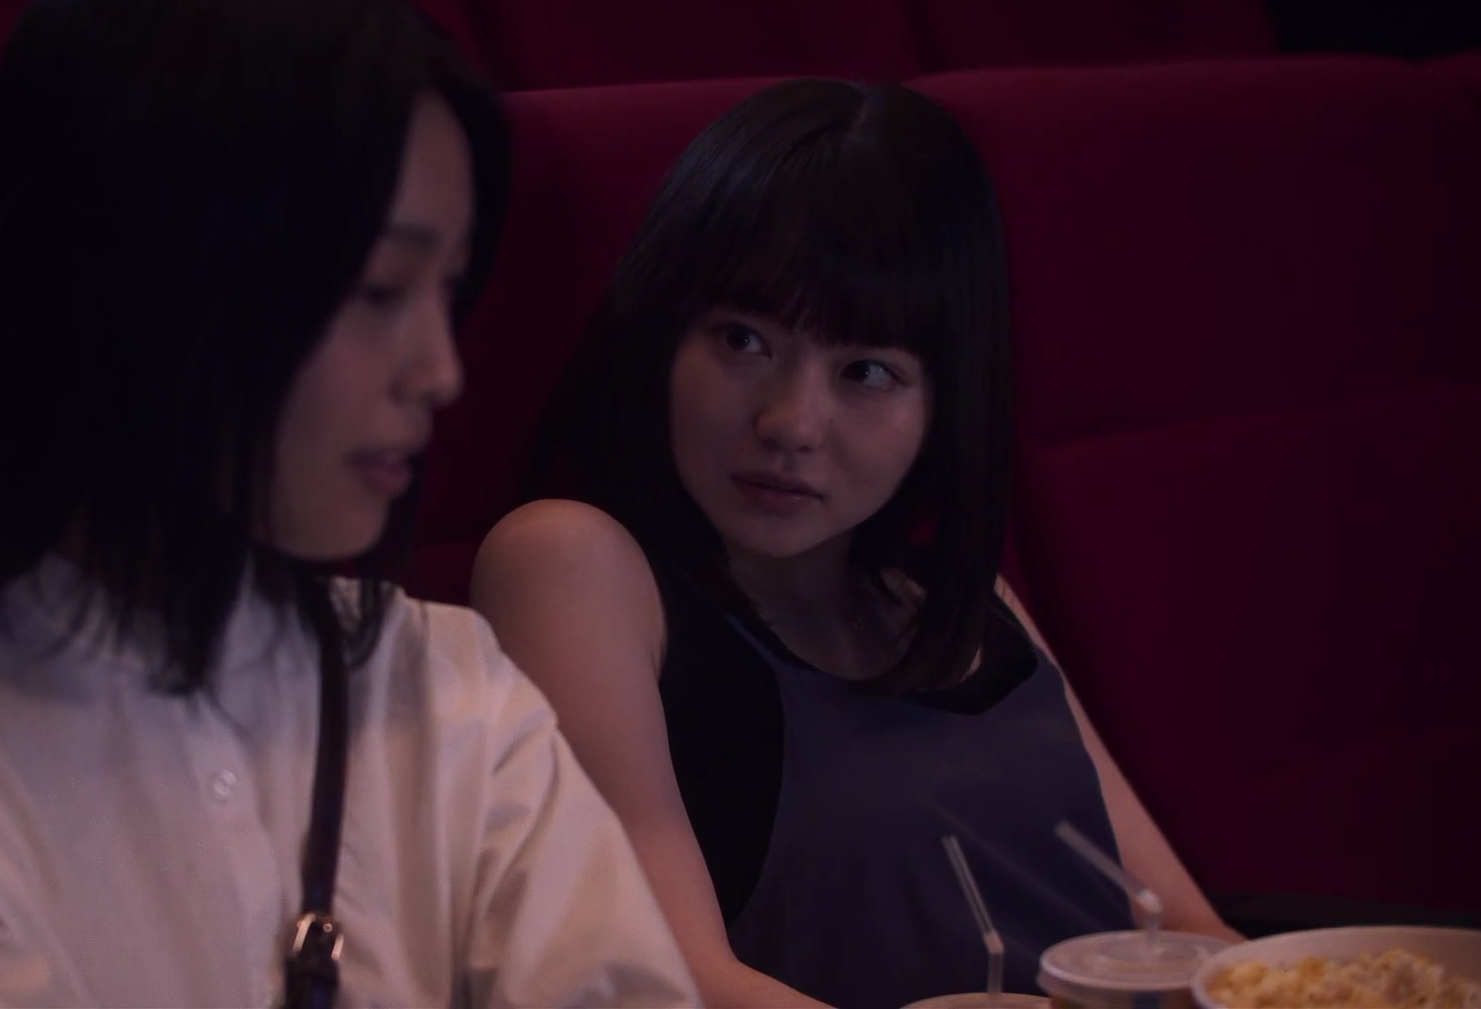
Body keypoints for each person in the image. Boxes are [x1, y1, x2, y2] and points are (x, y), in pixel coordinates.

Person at [0, 0, 699, 1005]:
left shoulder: (446, 683)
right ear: (141, 278)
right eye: (379, 292)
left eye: (447, 292)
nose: (440, 371)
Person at [470, 79, 1240, 1009]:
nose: (790, 422)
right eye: (743, 340)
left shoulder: (965, 605)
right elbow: (666, 979)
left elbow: (1190, 936)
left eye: (867, 370)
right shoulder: (573, 563)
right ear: (660, 335)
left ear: (942, 407)